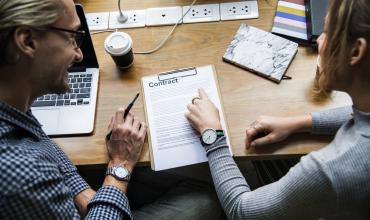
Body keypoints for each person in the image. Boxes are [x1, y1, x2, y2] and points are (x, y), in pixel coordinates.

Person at [0, 0, 222, 219]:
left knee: (199, 174)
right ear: (27, 41)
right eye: (72, 38)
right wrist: (119, 166)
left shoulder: (11, 99)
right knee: (210, 197)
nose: (79, 55)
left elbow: (38, 140)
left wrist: (81, 191)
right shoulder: (20, 174)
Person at [185, 0, 370, 219]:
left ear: (356, 51)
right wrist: (299, 123)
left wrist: (212, 134)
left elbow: (241, 211)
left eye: (326, 32)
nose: (319, 41)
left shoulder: (328, 170)